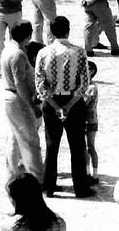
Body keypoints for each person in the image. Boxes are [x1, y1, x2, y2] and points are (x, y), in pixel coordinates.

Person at [35, 16, 94, 197]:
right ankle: (80, 188)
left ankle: (49, 187)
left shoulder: (43, 53)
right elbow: (84, 83)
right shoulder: (79, 52)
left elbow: (40, 82)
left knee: (51, 145)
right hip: (74, 103)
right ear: (68, 30)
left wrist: (53, 104)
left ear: (52, 31)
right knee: (77, 146)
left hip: (52, 103)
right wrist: (68, 105)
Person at [1, 21, 45, 184]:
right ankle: (37, 179)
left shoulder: (8, 49)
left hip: (10, 97)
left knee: (14, 137)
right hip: (18, 99)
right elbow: (19, 83)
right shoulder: (18, 53)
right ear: (27, 35)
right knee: (31, 141)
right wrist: (32, 106)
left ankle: (13, 175)